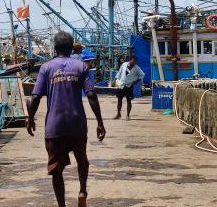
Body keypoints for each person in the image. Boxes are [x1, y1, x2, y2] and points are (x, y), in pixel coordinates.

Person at [26, 31, 106, 207]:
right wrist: (100, 122)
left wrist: (30, 118)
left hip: (55, 126)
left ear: (54, 48)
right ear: (72, 48)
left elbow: (36, 96)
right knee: (82, 159)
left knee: (56, 170)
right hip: (77, 123)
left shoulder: (46, 68)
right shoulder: (81, 67)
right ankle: (82, 190)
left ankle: (62, 205)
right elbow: (91, 94)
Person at [114, 55, 145, 121]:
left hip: (129, 86)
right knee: (119, 100)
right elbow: (119, 72)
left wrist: (136, 81)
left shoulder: (137, 68)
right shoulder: (124, 65)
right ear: (130, 60)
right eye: (133, 61)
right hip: (121, 85)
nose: (134, 62)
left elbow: (142, 75)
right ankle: (118, 113)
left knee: (129, 101)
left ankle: (128, 115)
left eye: (135, 61)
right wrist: (116, 79)